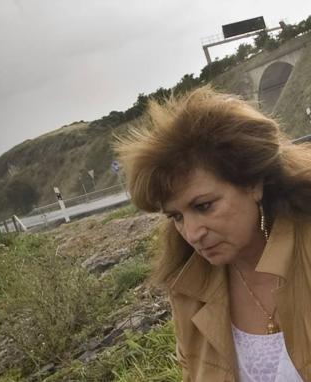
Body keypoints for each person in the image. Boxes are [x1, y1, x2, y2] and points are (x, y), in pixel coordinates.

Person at [115, 86, 311, 381]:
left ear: (253, 184)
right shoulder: (188, 289)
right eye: (176, 217)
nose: (192, 234)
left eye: (204, 206)